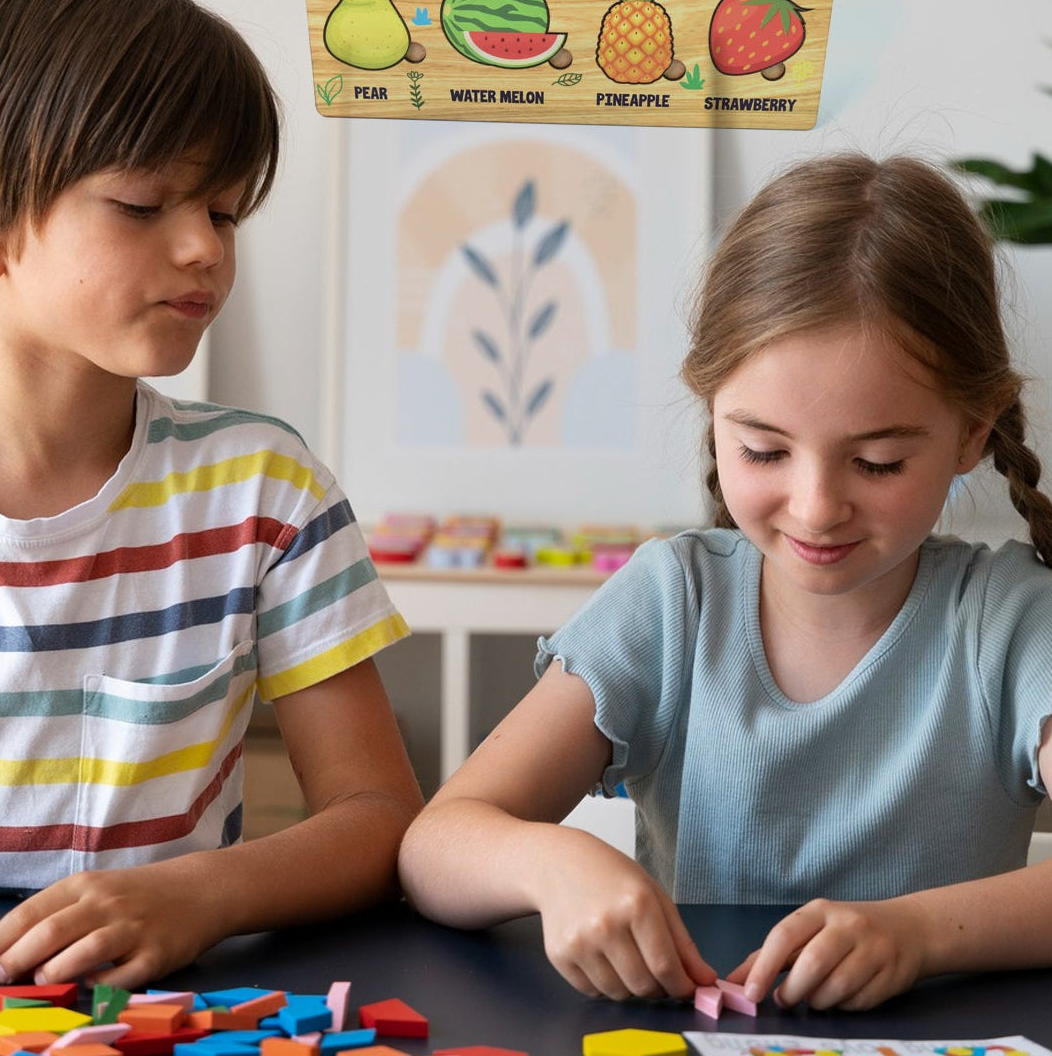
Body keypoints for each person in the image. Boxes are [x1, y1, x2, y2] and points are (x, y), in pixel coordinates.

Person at [0, 0, 422, 987]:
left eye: (223, 212)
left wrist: (202, 894)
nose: (204, 250)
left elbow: (378, 818)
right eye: (145, 206)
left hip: (157, 1031)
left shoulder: (265, 492)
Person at [399, 152, 1052, 1012]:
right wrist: (551, 863)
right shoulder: (670, 604)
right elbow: (433, 846)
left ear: (972, 433)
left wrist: (918, 934)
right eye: (764, 451)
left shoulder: (1009, 622)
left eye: (878, 461)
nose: (817, 508)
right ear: (712, 412)